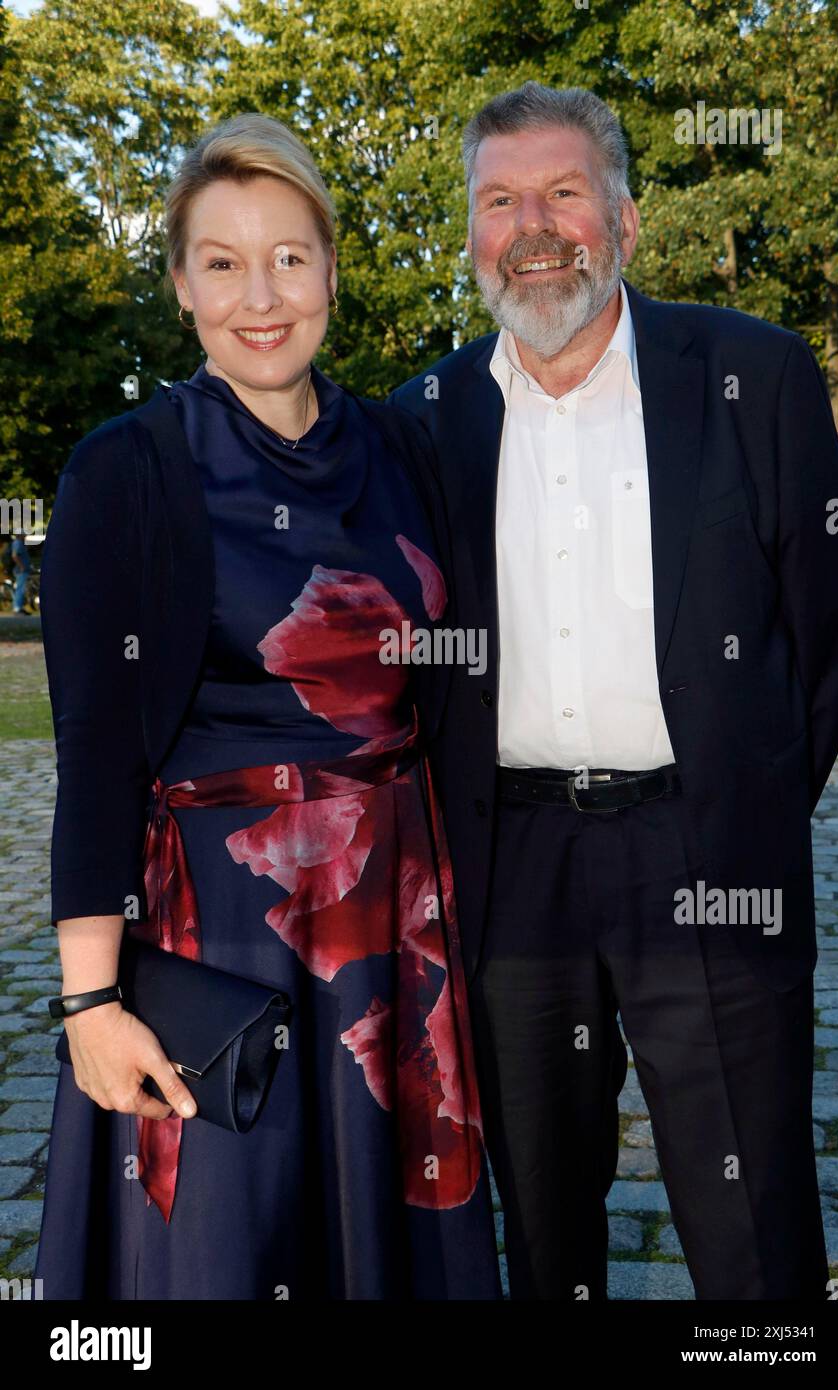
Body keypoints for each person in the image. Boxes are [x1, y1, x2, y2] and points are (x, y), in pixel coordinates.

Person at [387, 80, 838, 1300]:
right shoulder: (421, 423)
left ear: (626, 221)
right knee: (543, 1227)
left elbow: (827, 631)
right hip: (510, 875)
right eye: (499, 200)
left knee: (750, 1220)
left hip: (704, 852)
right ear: (470, 237)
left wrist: (740, 801)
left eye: (561, 192)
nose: (532, 225)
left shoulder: (752, 377)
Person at [34, 113, 501, 1301]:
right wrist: (90, 1001)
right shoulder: (127, 467)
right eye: (224, 261)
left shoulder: (405, 446)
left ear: (331, 271)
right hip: (219, 941)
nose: (262, 294)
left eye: (289, 257)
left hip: (392, 930)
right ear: (183, 283)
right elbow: (91, 751)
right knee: (225, 1259)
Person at [11, 530, 31, 613]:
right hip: (21, 571)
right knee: (20, 589)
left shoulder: (19, 543)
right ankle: (17, 607)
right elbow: (15, 556)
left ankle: (18, 606)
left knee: (21, 588)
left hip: (22, 570)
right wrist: (22, 566)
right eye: (23, 534)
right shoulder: (18, 543)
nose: (25, 536)